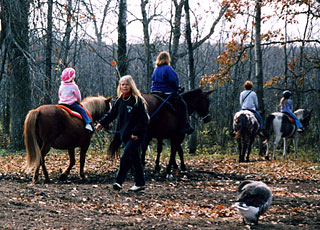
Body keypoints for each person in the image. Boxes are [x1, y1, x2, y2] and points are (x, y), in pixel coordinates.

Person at [95, 75, 149, 192]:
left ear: (131, 86)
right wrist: (102, 123)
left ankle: (118, 182)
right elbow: (111, 114)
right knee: (135, 159)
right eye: (122, 84)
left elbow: (143, 119)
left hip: (136, 135)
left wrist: (136, 132)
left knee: (125, 157)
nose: (124, 87)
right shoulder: (120, 101)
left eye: (126, 84)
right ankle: (140, 183)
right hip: (125, 135)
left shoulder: (136, 101)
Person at [150, 51, 194, 135]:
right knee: (182, 105)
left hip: (155, 92)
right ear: (167, 59)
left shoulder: (156, 69)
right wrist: (177, 88)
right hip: (165, 92)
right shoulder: (168, 68)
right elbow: (173, 80)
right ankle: (185, 125)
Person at [58, 67, 93, 132]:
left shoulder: (61, 86)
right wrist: (78, 102)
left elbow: (59, 95)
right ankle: (88, 123)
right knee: (83, 111)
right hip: (71, 104)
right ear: (72, 78)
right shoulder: (74, 86)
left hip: (61, 104)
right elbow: (78, 96)